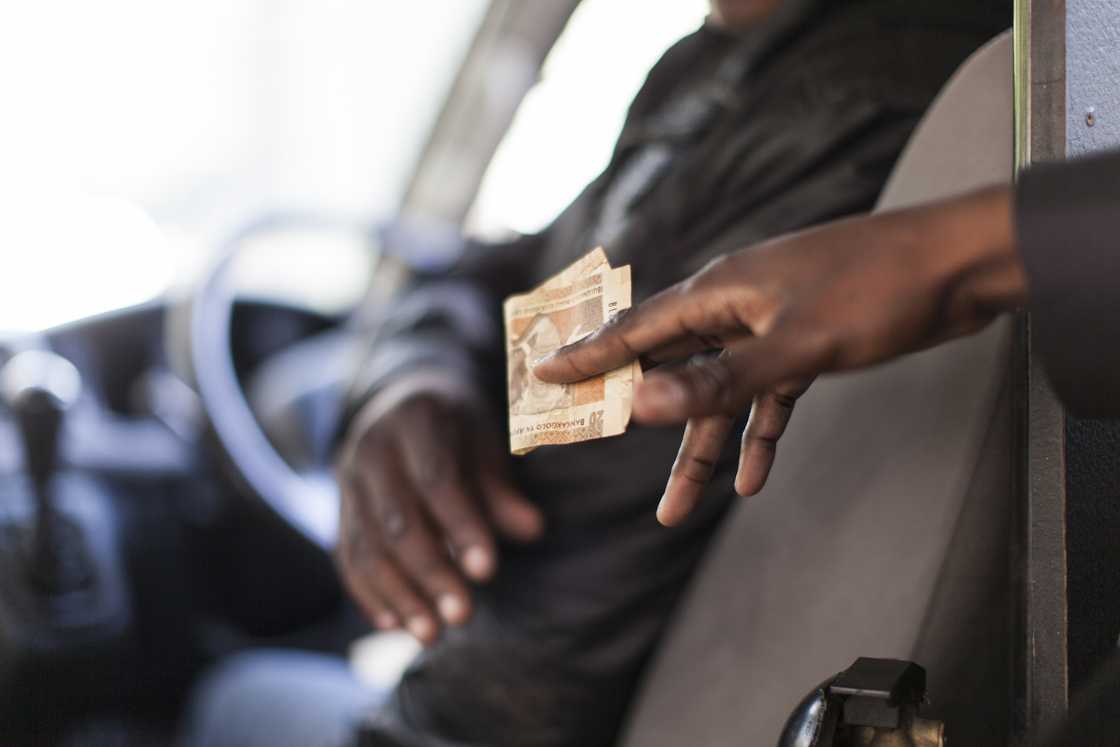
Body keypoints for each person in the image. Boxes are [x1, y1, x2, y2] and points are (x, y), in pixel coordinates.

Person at [185, 2, 1011, 745]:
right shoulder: (728, 63)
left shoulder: (848, 98)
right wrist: (412, 372)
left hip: (501, 712)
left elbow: (542, 657)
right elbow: (513, 271)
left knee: (235, 693)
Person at [535, 150, 1120, 524]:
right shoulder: (687, 65)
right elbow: (513, 261)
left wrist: (947, 257)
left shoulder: (856, 77)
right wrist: (442, 367)